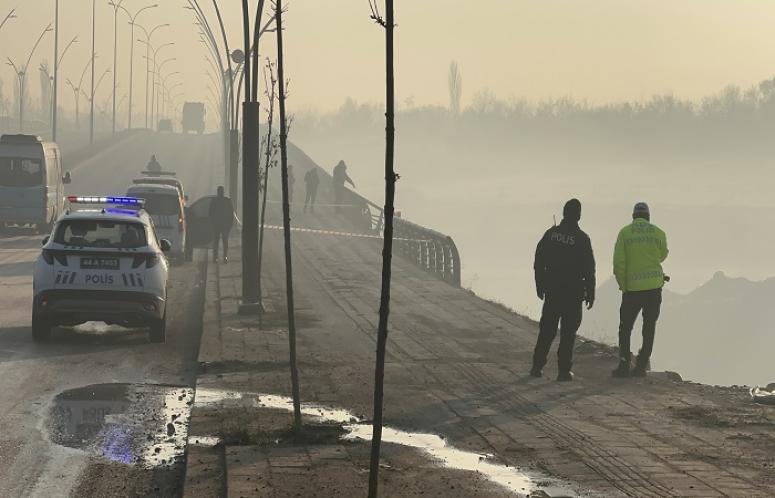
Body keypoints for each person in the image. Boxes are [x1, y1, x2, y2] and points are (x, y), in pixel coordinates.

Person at [530, 199, 596, 382]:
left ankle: (536, 367)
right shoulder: (582, 239)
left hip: (552, 291)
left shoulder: (551, 234)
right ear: (579, 215)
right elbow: (589, 269)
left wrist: (539, 284)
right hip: (573, 294)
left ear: (563, 213)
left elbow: (538, 261)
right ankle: (564, 371)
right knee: (568, 334)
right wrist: (591, 292)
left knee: (547, 331)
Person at [611, 202, 669, 378]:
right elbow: (663, 255)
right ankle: (641, 366)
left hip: (632, 291)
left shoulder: (624, 233)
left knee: (625, 328)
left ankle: (623, 365)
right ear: (648, 217)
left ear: (633, 216)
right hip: (654, 289)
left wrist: (624, 286)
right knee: (649, 328)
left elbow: (618, 264)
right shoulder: (659, 232)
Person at [208, 186, 234, 263]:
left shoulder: (215, 201)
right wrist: (230, 224)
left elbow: (210, 213)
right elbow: (231, 214)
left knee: (217, 242)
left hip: (218, 225)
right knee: (224, 241)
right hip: (223, 225)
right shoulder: (227, 201)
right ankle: (224, 257)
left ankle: (217, 257)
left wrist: (212, 223)